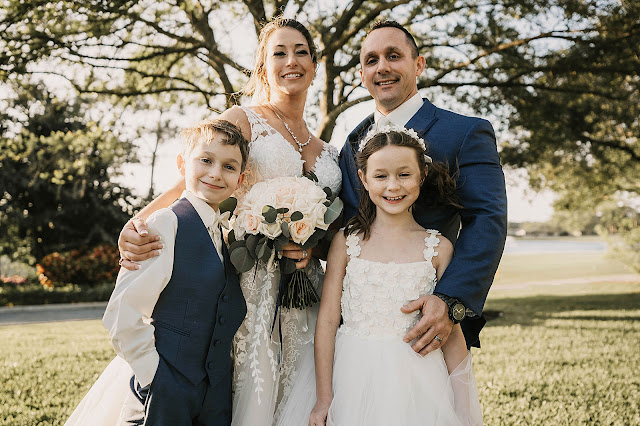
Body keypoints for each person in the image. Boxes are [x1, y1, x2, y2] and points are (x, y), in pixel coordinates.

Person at [116, 18, 342, 425]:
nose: (291, 60)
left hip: (307, 292)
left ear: (314, 63)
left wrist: (312, 247)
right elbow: (196, 175)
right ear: (262, 67)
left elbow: (335, 230)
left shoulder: (329, 148)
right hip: (250, 282)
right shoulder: (244, 118)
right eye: (279, 53)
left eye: (301, 51)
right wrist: (138, 223)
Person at [275, 127, 483, 425]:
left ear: (422, 175)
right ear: (363, 179)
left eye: (404, 174)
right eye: (381, 176)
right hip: (353, 374)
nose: (393, 186)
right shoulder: (346, 242)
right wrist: (324, 398)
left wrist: (463, 408)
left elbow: (449, 332)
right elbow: (329, 320)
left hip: (420, 380)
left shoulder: (438, 248)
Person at [66, 118, 249, 425]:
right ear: (182, 164)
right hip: (166, 389)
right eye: (206, 160)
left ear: (240, 179)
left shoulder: (226, 233)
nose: (216, 173)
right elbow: (123, 312)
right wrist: (154, 375)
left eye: (229, 167)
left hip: (214, 393)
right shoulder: (167, 222)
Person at [339, 20, 508, 354]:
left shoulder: (464, 133)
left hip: (428, 322)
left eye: (393, 55)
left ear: (418, 64)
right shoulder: (352, 142)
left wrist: (450, 301)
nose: (382, 67)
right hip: (359, 323)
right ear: (362, 74)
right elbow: (347, 221)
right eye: (371, 60)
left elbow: (487, 219)